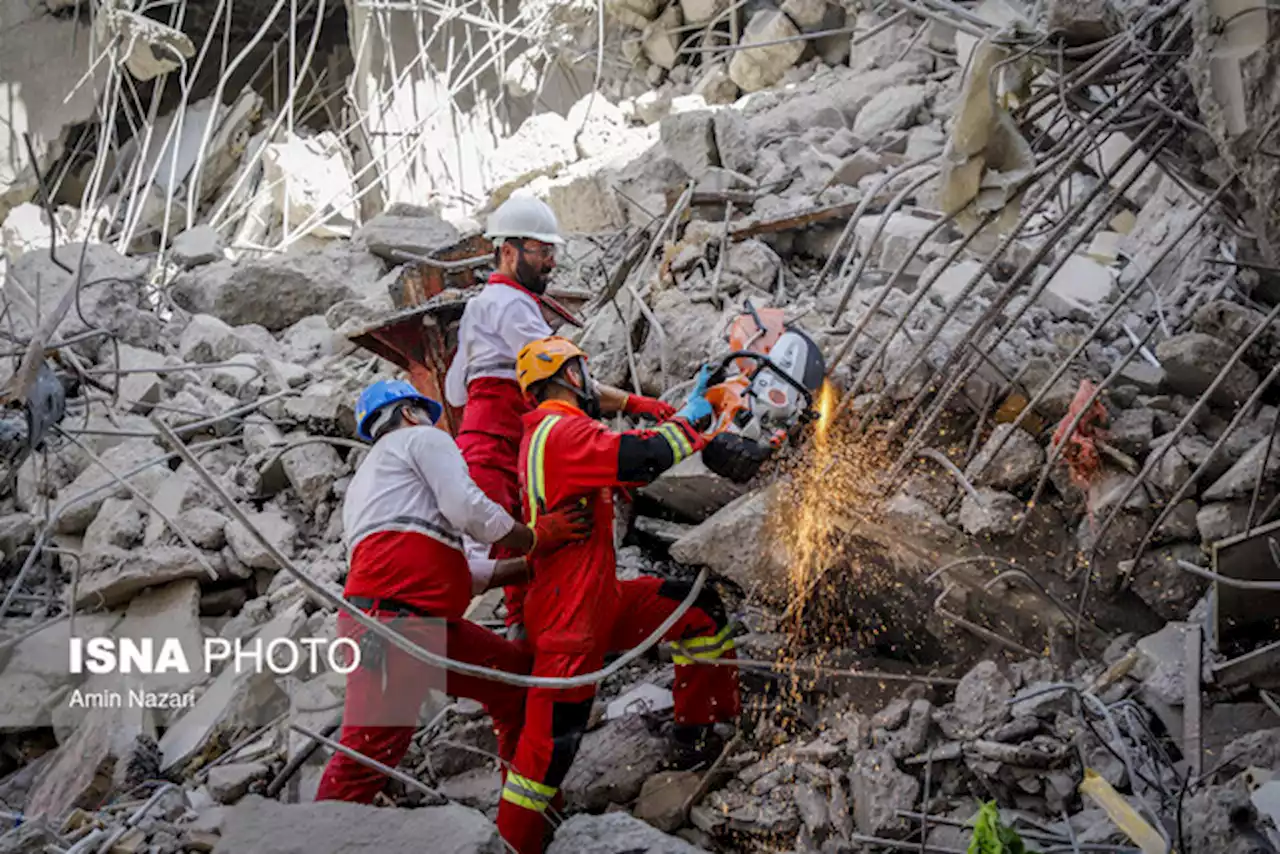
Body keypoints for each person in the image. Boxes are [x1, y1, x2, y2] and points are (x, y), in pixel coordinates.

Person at [495, 337, 742, 854]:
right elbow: (645, 454)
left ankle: (698, 732)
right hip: (571, 621)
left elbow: (620, 461)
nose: (592, 384)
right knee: (543, 760)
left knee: (698, 610)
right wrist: (695, 418)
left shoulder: (547, 434)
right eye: (584, 372)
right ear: (568, 377)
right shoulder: (562, 430)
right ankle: (508, 844)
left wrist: (669, 422)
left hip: (590, 600)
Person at [314, 378, 591, 804]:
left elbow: (453, 569)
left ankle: (526, 812)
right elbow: (466, 508)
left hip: (400, 620)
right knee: (368, 750)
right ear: (408, 411)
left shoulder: (368, 486)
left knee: (512, 679)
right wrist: (535, 537)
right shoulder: (421, 439)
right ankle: (310, 835)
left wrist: (530, 566)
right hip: (397, 624)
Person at [444, 195, 675, 638]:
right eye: (541, 251)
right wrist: (633, 403)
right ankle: (526, 648)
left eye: (553, 251)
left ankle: (527, 636)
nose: (550, 262)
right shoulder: (512, 306)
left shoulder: (480, 305)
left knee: (512, 538)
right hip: (500, 446)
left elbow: (456, 390)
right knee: (512, 541)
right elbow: (568, 381)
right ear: (508, 252)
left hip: (486, 443)